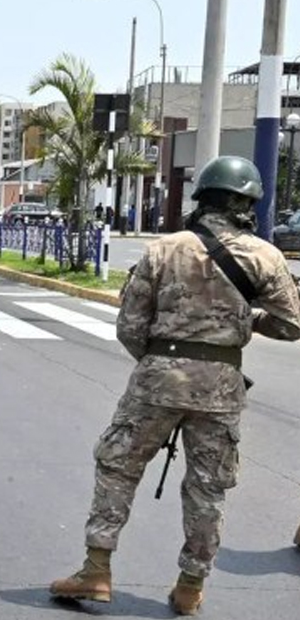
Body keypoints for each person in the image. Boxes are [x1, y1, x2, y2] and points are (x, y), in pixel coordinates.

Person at [49, 156, 300, 615]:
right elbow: (291, 325)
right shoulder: (266, 256)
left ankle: (96, 570)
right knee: (208, 488)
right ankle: (190, 587)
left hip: (157, 378)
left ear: (202, 198)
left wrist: (158, 361)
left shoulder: (163, 249)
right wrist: (247, 318)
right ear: (249, 205)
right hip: (222, 387)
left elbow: (129, 325)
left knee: (118, 467)